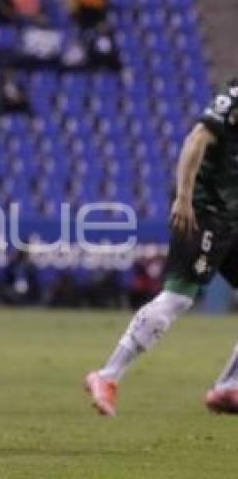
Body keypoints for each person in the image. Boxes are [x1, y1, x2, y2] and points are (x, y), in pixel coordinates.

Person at [85, 80, 238, 415]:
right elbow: (197, 137)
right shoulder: (234, 98)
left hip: (231, 217)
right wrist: (184, 198)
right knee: (179, 296)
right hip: (205, 211)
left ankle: (228, 386)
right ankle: (107, 375)